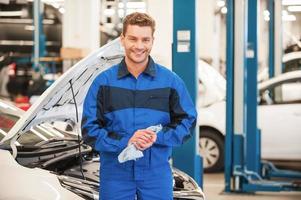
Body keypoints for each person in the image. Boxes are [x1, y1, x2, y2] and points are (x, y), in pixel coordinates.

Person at [81, 12, 197, 200]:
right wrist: (126, 140)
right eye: (133, 39)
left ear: (152, 41)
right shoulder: (103, 83)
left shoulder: (170, 82)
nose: (139, 46)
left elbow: (188, 122)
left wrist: (156, 137)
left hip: (156, 174)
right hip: (115, 174)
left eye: (145, 39)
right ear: (122, 39)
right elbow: (89, 130)